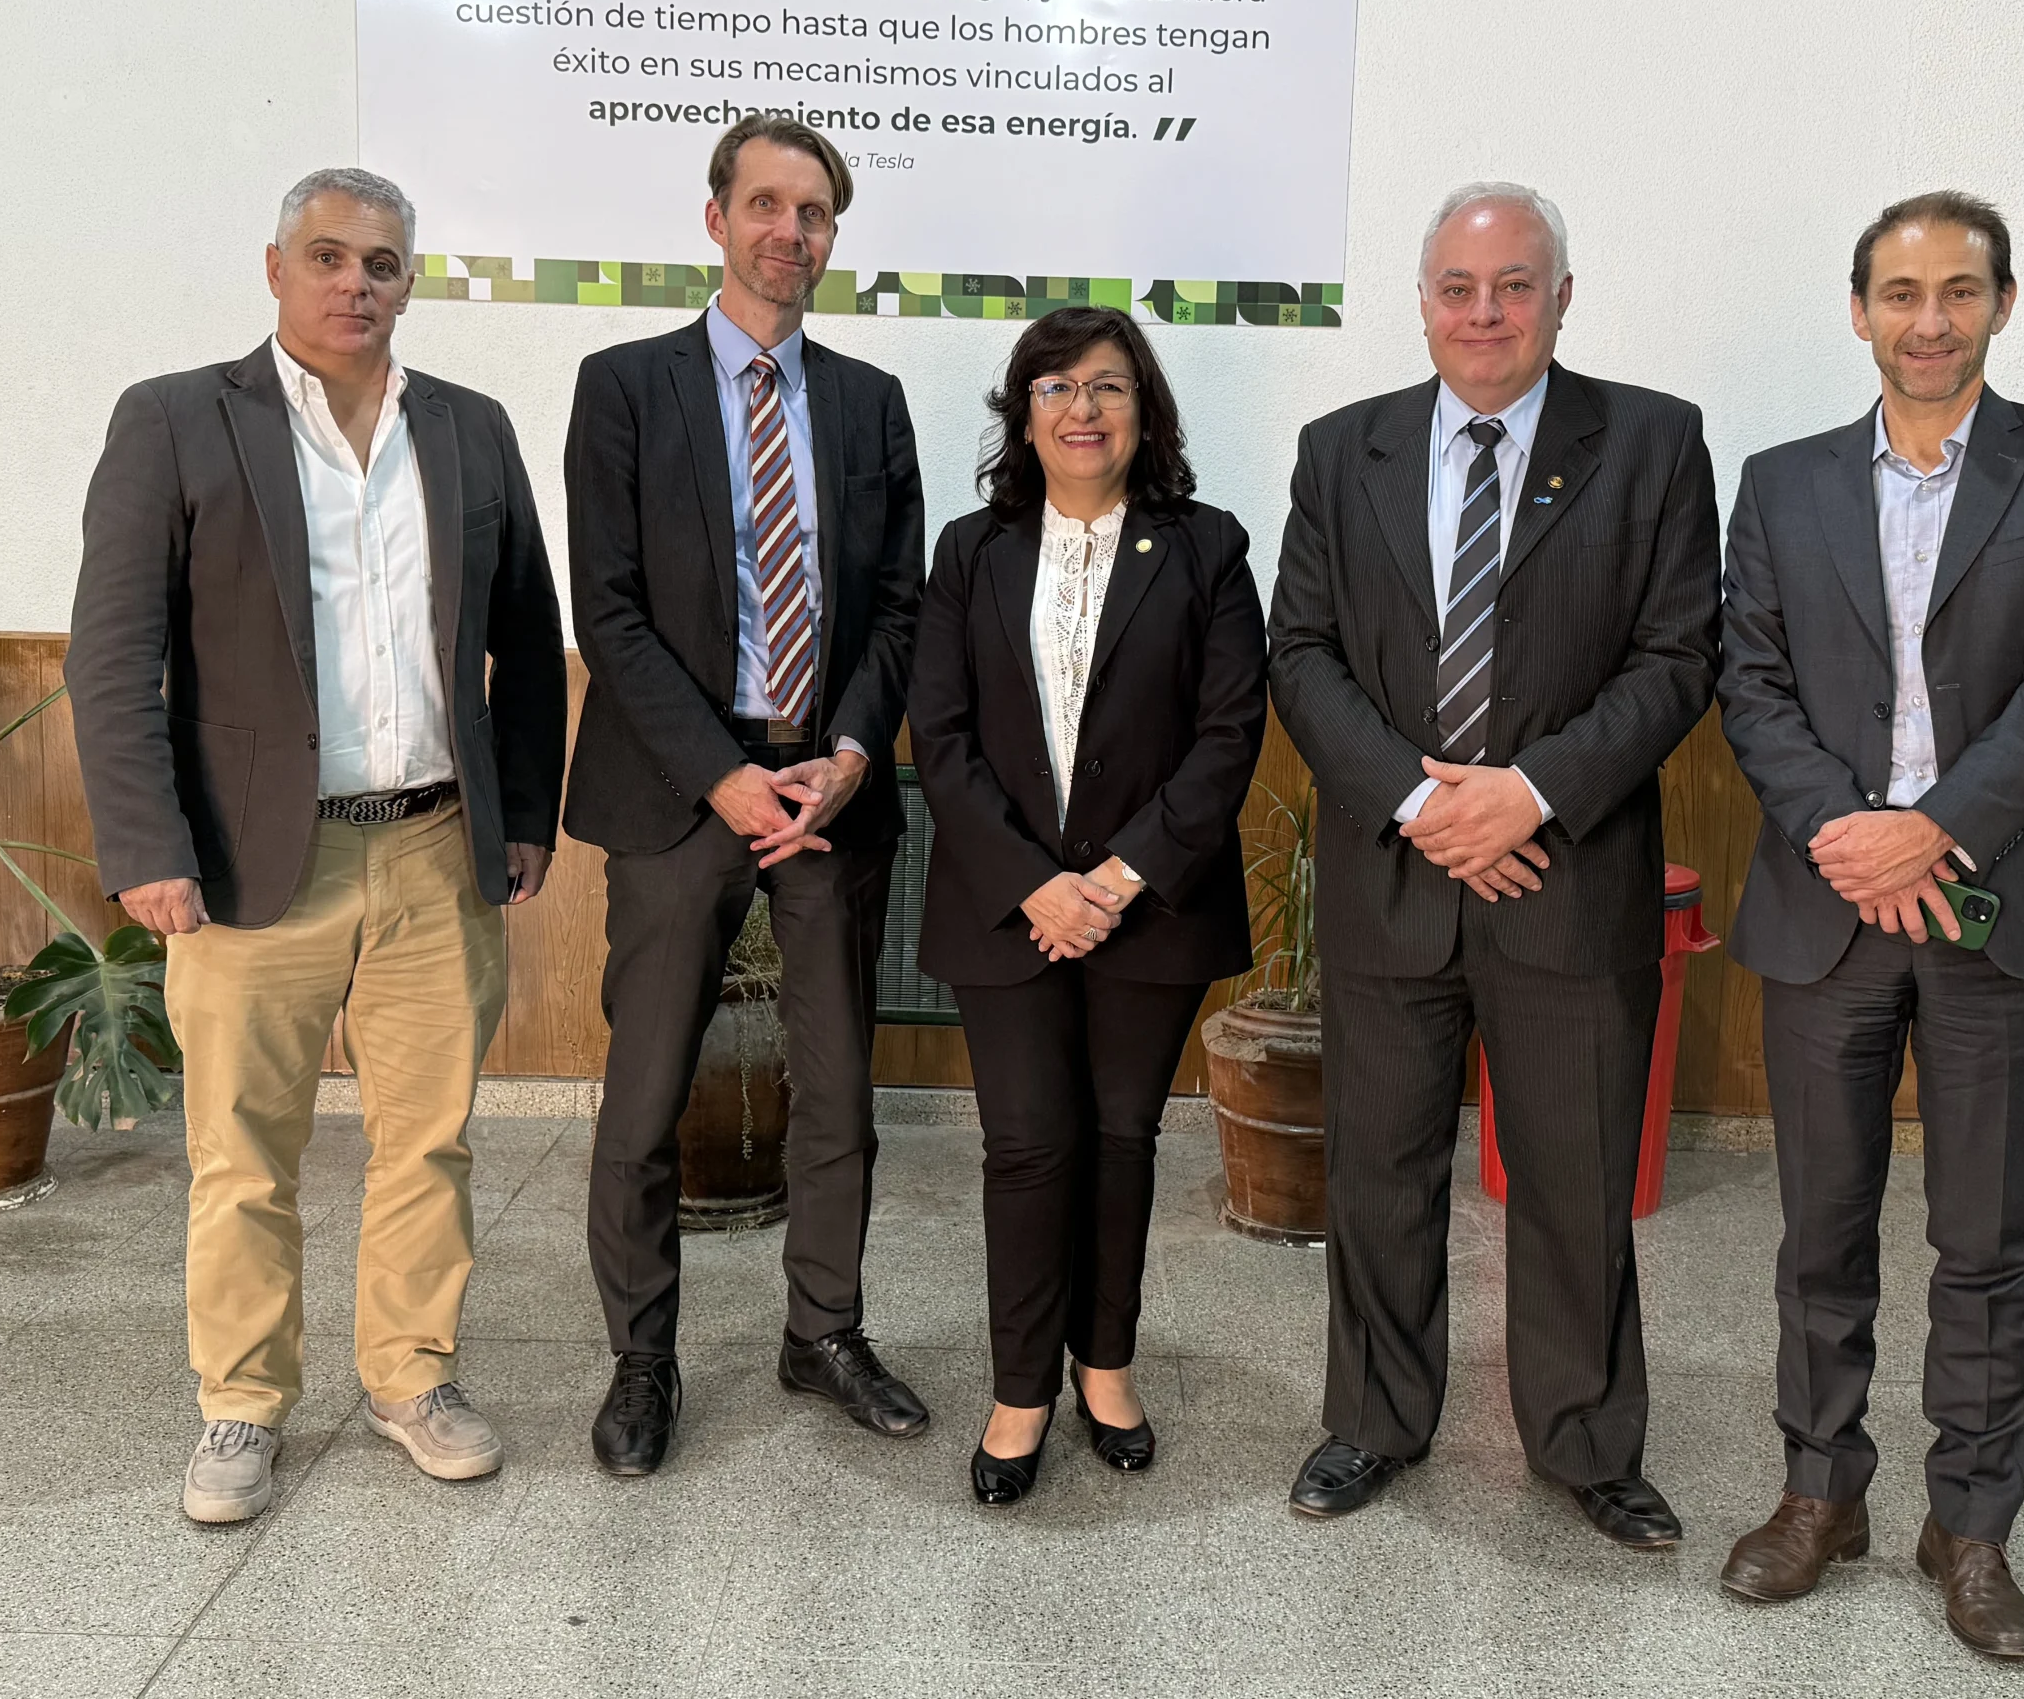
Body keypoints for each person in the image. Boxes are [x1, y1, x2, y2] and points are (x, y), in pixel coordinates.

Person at [66, 167, 566, 1524]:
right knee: (242, 1152)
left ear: (410, 283)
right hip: (248, 861)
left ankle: (412, 1377)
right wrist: (145, 843)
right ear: (276, 267)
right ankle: (241, 1402)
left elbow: (527, 637)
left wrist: (526, 812)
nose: (358, 282)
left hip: (433, 846)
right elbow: (112, 655)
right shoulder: (176, 418)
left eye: (383, 263)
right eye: (331, 256)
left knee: (430, 1142)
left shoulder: (468, 426)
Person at [1714, 193, 2024, 1660]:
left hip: (1999, 905)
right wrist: (1852, 837)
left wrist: (1937, 828)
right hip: (1830, 905)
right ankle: (1819, 1495)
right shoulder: (1782, 483)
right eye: (1900, 293)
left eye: (1959, 291)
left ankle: (1971, 1526)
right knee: (1819, 1233)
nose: (1929, 320)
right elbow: (1750, 680)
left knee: (1986, 1242)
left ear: (2003, 305)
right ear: (1859, 312)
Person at [1266, 182, 1720, 1544]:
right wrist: (1422, 801)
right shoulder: (1341, 451)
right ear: (1422, 302)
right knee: (1378, 1175)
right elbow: (1302, 652)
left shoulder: (1652, 441)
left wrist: (1527, 795)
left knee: (1575, 1182)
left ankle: (1587, 1443)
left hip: (1567, 878)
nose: (1485, 313)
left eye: (1514, 286)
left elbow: (1678, 656)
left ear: (1560, 299)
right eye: (1458, 289)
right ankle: (1373, 1420)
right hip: (1392, 876)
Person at [565, 114, 928, 1476]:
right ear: (715, 218)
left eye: (814, 212)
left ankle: (822, 1332)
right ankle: (642, 1359)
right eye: (766, 204)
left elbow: (899, 604)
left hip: (828, 785)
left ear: (834, 236)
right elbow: (608, 610)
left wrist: (852, 753)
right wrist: (721, 775)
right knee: (645, 1093)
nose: (791, 231)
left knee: (838, 1093)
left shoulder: (869, 401)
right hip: (680, 786)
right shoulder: (622, 387)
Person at [909, 307, 1267, 1506]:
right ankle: (1020, 1390)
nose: (1081, 408)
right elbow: (941, 734)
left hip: (1147, 905)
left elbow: (1228, 735)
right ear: (1022, 414)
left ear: (1142, 411)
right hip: (1005, 903)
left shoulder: (1206, 547)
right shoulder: (971, 550)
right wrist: (1036, 883)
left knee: (1121, 1138)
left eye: (1107, 386)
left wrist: (1114, 880)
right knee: (1025, 1145)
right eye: (1054, 386)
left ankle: (1104, 1365)